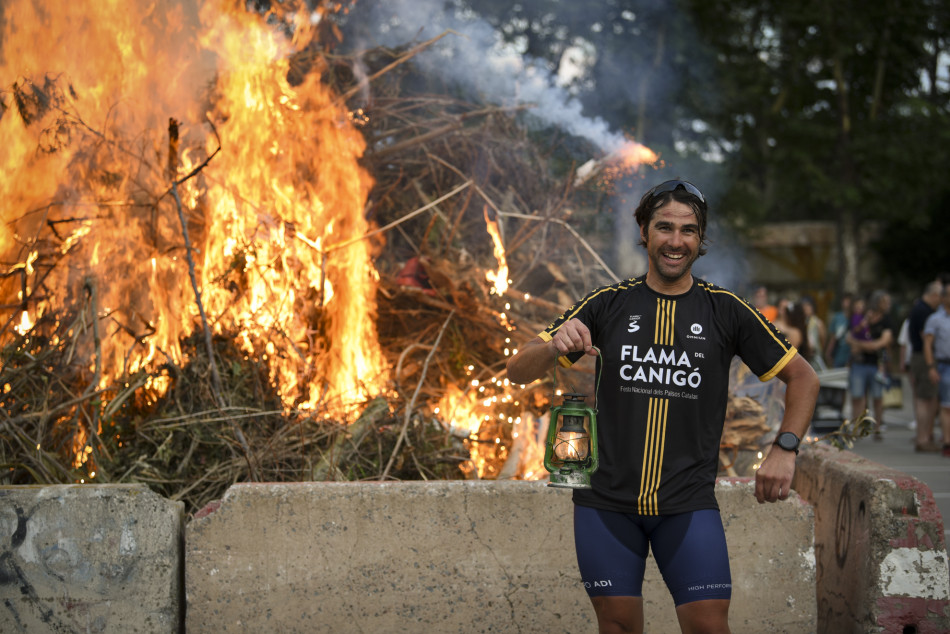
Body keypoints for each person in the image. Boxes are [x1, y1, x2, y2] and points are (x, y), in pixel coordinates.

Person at [505, 179, 819, 634]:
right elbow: (516, 369)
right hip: (606, 504)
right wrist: (554, 345)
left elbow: (803, 377)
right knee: (618, 626)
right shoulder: (607, 304)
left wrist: (785, 448)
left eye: (688, 230)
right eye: (665, 227)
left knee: (709, 625)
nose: (676, 241)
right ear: (644, 232)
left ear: (700, 239)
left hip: (687, 505)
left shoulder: (726, 310)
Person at [846, 290, 894, 439]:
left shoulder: (886, 320)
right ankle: (857, 427)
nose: (887, 305)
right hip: (859, 363)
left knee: (877, 397)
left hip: (877, 364)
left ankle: (877, 427)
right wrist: (867, 344)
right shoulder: (861, 317)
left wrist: (860, 345)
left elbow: (883, 342)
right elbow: (849, 336)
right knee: (858, 396)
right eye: (884, 302)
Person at [907, 281, 943, 451]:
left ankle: (924, 436)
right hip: (923, 357)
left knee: (926, 398)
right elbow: (926, 338)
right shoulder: (924, 311)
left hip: (919, 356)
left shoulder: (919, 308)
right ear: (934, 295)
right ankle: (923, 438)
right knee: (925, 399)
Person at [923, 285, 950, 457]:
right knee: (946, 406)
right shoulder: (935, 319)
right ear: (943, 298)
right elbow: (927, 344)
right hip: (944, 364)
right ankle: (947, 441)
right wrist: (931, 366)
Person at [825, 293, 854, 368]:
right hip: (838, 354)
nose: (847, 303)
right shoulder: (837, 317)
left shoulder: (856, 317)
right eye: (845, 301)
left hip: (852, 355)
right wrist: (829, 352)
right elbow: (833, 337)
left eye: (849, 301)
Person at [800, 296, 827, 370]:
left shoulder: (818, 323)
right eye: (803, 305)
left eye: (808, 305)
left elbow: (823, 341)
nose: (806, 308)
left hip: (815, 357)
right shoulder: (800, 323)